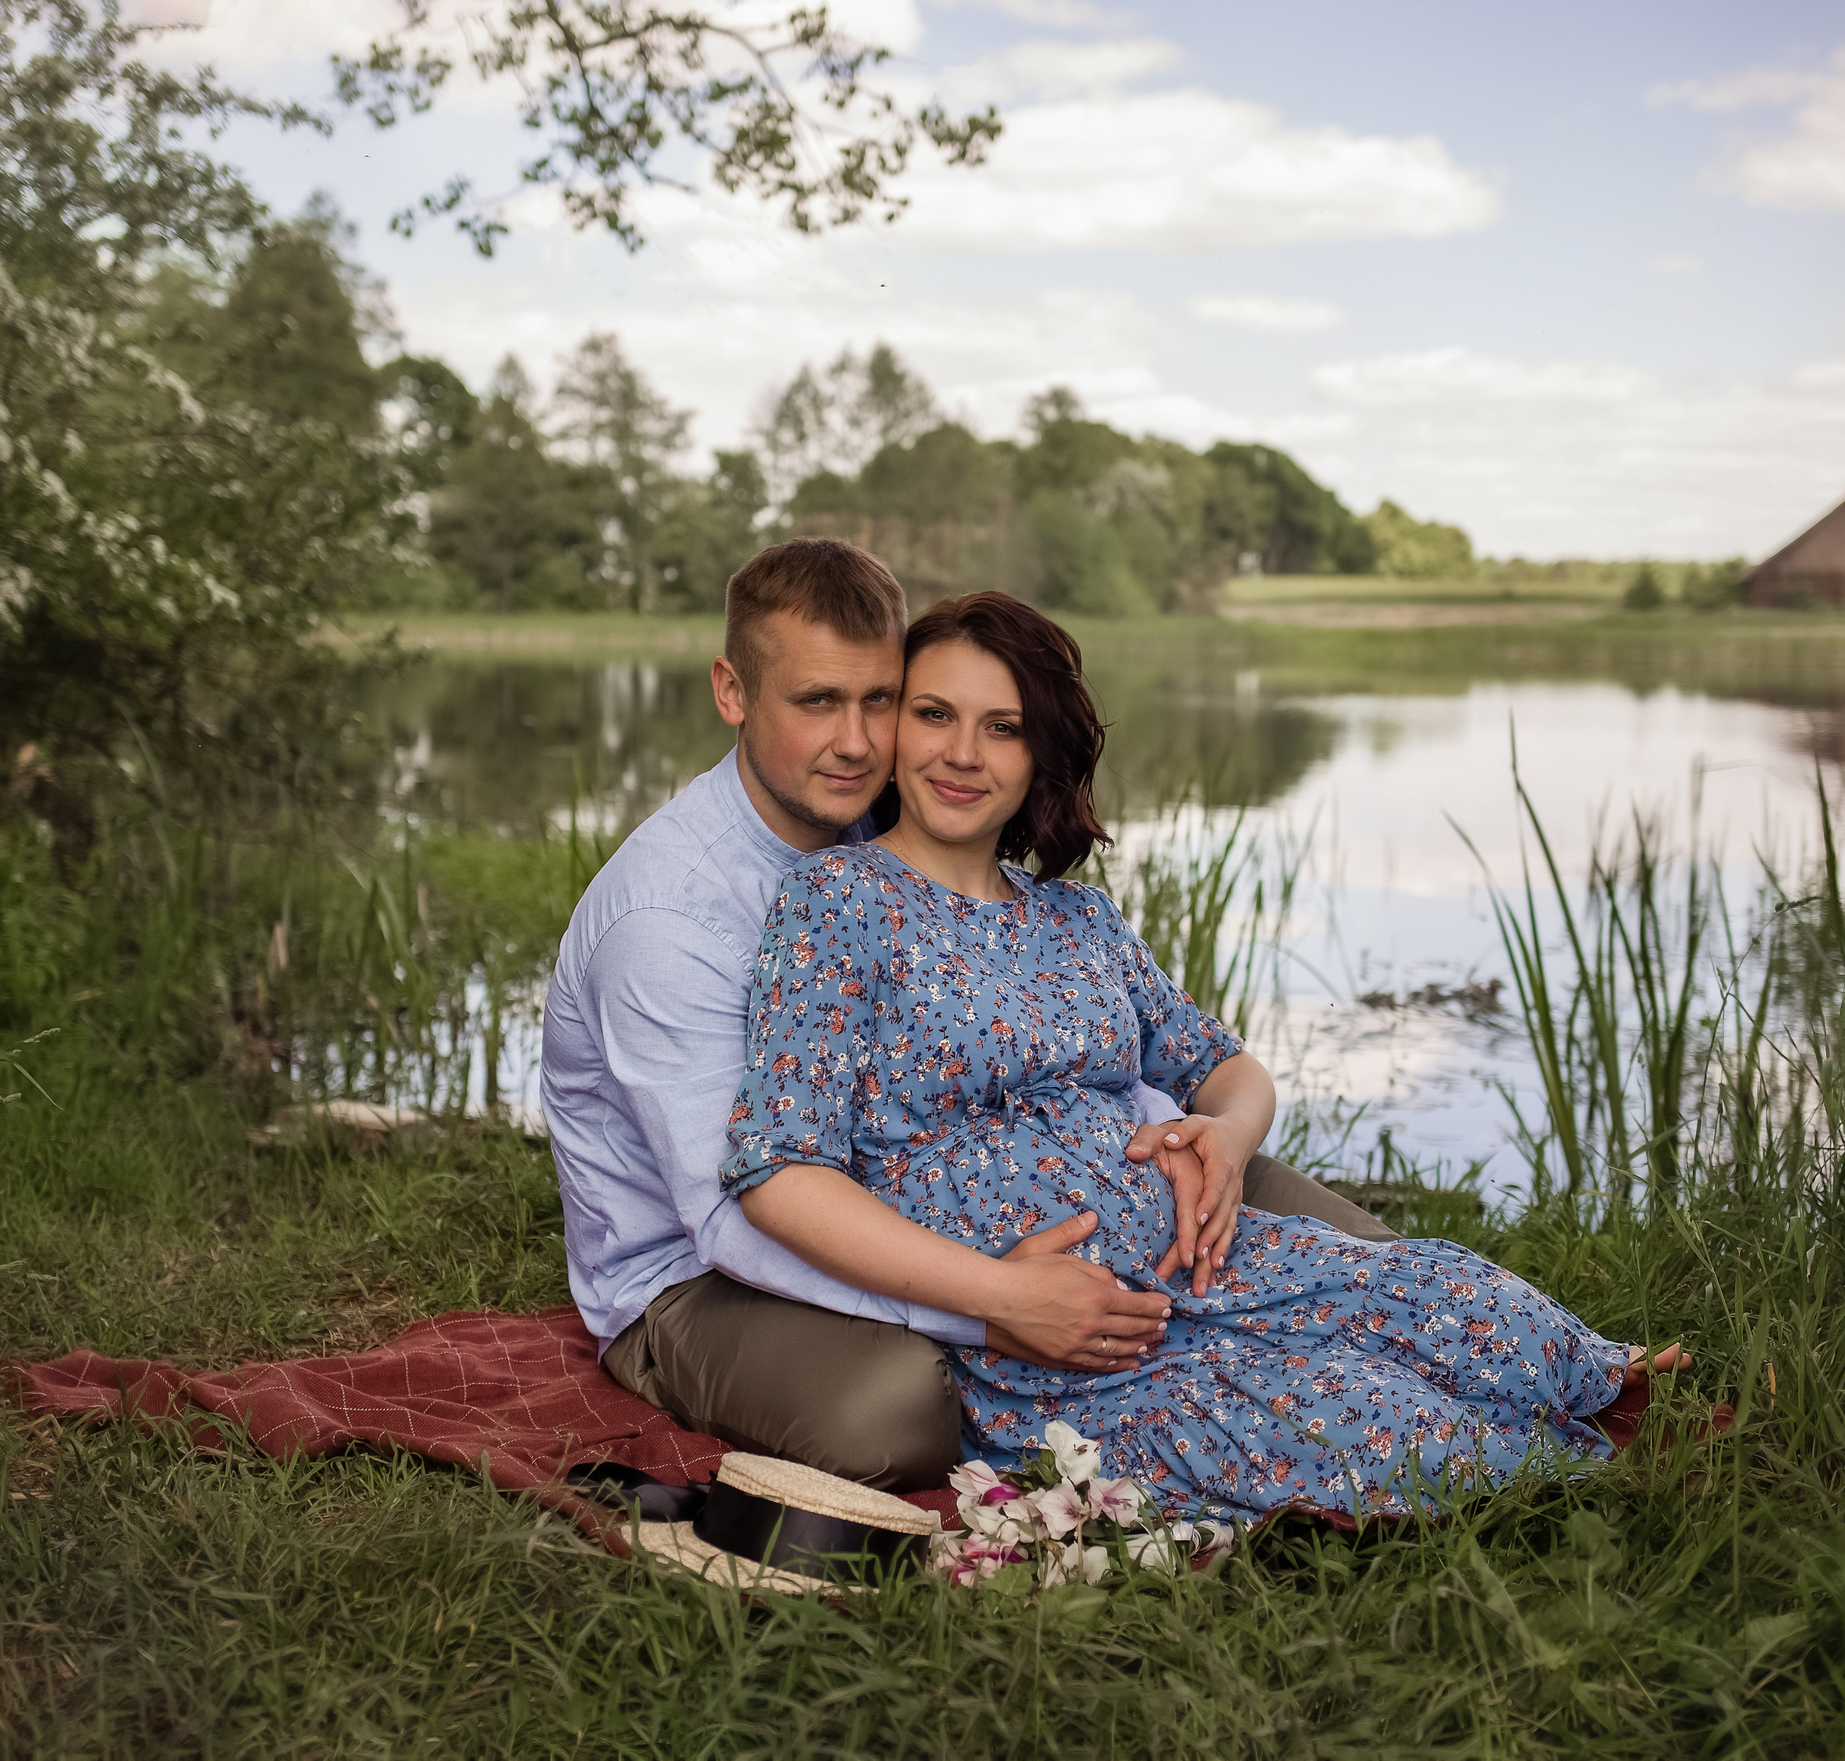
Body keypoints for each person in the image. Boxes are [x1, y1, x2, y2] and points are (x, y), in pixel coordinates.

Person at [720, 591, 1681, 1520]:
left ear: (1039, 752)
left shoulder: (1077, 919)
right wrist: (1004, 1294)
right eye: (935, 714)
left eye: (1003, 727)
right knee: (1367, 1420)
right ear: (896, 729)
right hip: (1063, 1340)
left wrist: (1226, 1138)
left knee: (1458, 1297)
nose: (962, 754)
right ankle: (1579, 1472)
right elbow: (779, 1170)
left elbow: (1231, 1069)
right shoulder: (840, 901)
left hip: (1208, 1260)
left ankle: (1621, 1391)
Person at [542, 540, 1399, 1492]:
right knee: (904, 1410)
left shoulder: (885, 817)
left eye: (882, 700)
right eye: (817, 700)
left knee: (1363, 1261)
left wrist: (1186, 1150)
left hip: (974, 1193)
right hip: (700, 1279)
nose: (859, 741)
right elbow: (731, 1214)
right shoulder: (667, 921)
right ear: (733, 692)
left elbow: (1114, 1034)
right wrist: (997, 1304)